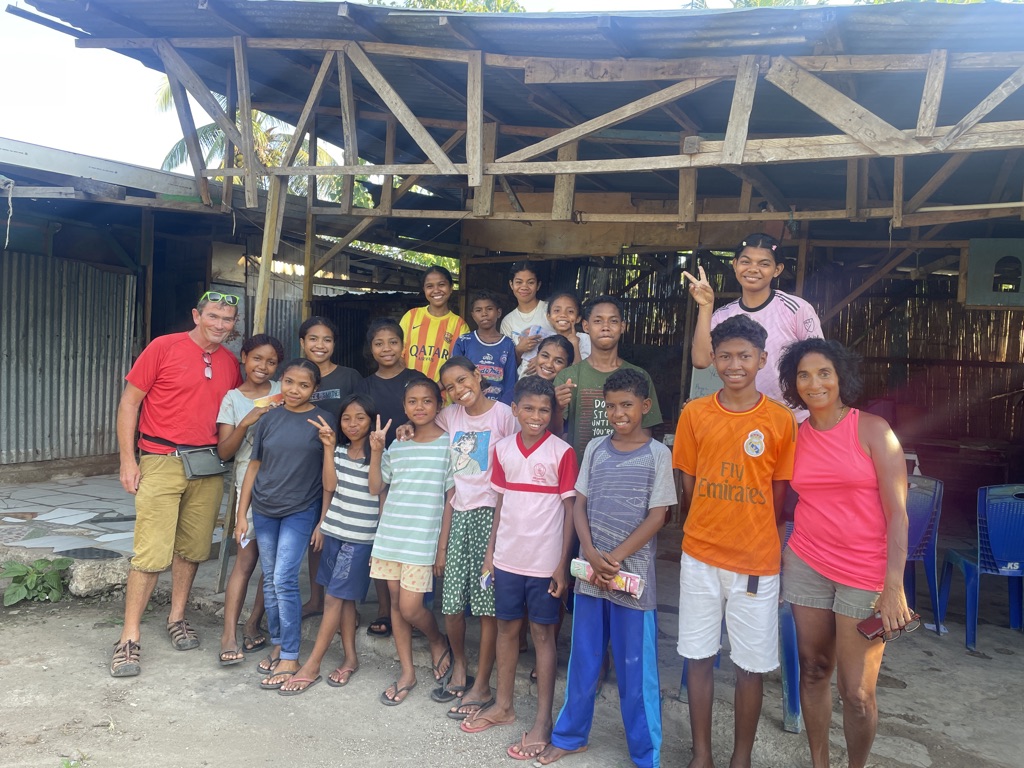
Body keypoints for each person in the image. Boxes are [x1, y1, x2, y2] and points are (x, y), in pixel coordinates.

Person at [777, 339, 914, 768]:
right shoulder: (794, 435)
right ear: (793, 383)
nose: (814, 383)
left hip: (864, 571)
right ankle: (819, 763)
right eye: (803, 375)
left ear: (841, 377)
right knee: (814, 668)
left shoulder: (872, 430)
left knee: (857, 693)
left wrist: (894, 586)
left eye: (824, 373)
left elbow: (898, 514)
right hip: (806, 562)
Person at [672, 316, 797, 768]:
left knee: (750, 665)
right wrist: (706, 524)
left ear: (762, 360)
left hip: (755, 561)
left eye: (744, 356)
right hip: (700, 555)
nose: (734, 364)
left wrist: (758, 536)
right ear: (713, 359)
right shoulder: (695, 414)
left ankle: (740, 759)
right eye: (724, 356)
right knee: (698, 656)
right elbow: (688, 483)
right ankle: (701, 755)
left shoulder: (780, 420)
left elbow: (779, 496)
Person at [534, 369, 675, 768]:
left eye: (626, 405)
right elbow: (579, 505)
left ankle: (646, 755)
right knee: (584, 661)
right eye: (610, 406)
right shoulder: (596, 448)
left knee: (636, 672)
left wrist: (613, 559)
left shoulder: (658, 455)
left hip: (632, 581)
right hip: (591, 577)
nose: (618, 413)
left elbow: (658, 516)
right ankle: (570, 736)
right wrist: (591, 554)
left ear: (645, 406)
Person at [110, 290, 242, 678]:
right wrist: (128, 459)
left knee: (193, 547)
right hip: (161, 458)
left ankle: (177, 617)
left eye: (228, 319)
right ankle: (129, 636)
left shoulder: (230, 363)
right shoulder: (163, 348)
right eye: (213, 316)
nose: (220, 324)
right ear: (196, 316)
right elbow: (130, 402)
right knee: (151, 551)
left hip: (208, 464)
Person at [464, 376, 577, 760]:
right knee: (506, 630)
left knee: (543, 635)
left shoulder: (562, 452)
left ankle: (543, 721)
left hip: (545, 563)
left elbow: (569, 512)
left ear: (553, 413)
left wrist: (562, 566)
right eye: (528, 408)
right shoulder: (502, 449)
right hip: (507, 560)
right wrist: (490, 555)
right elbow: (500, 505)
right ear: (514, 410)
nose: (536, 416)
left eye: (544, 410)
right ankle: (503, 705)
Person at [234, 358, 332, 691]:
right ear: (281, 382)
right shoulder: (268, 418)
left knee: (284, 578)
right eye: (289, 382)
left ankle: (290, 655)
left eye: (304, 385)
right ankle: (279, 642)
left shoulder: (323, 421)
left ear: (315, 389)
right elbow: (253, 467)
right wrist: (241, 514)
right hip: (264, 509)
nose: (294, 390)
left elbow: (328, 475)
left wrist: (323, 519)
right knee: (271, 580)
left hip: (300, 509)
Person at [434, 357, 519, 719]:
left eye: (462, 380)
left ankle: (482, 683)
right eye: (450, 387)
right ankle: (460, 664)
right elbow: (423, 422)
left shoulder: (504, 416)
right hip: (459, 516)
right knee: (451, 605)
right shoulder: (449, 416)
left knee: (486, 608)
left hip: (492, 518)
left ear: (478, 375)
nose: (458, 390)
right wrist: (406, 427)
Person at [278, 394, 381, 695]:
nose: (353, 424)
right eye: (346, 418)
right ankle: (350, 658)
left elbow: (376, 489)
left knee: (333, 599)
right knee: (343, 600)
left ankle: (312, 665)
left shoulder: (380, 455)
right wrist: (322, 524)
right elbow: (329, 487)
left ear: (371, 421)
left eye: (360, 418)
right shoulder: (337, 452)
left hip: (359, 539)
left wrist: (376, 453)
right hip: (334, 531)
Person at [369, 377, 456, 706]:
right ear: (404, 407)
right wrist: (377, 451)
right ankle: (407, 672)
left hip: (422, 540)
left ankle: (436, 638)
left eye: (427, 401)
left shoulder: (448, 445)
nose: (420, 407)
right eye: (412, 402)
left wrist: (442, 547)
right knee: (396, 605)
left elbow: (451, 499)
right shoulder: (398, 443)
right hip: (391, 536)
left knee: (410, 607)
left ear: (439, 405)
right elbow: (376, 486)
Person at [686, 233, 822, 420]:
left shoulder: (796, 309)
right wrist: (705, 306)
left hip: (792, 418)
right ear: (735, 264)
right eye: (746, 262)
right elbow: (701, 361)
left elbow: (818, 362)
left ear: (777, 269)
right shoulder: (723, 315)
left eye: (764, 264)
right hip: (741, 418)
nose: (753, 269)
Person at [216, 333, 286, 666]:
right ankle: (228, 634)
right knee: (246, 560)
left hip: (285, 481)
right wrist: (246, 422)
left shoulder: (283, 391)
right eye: (257, 358)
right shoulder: (232, 399)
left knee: (273, 563)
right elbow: (224, 452)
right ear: (244, 357)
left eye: (271, 362)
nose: (263, 366)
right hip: (250, 482)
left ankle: (253, 622)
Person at [358, 317, 421, 637]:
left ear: (403, 345)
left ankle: (415, 609)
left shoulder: (416, 380)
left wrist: (414, 426)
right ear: (371, 349)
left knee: (413, 541)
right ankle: (385, 609)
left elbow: (431, 415)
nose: (386, 348)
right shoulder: (365, 385)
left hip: (414, 470)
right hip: (378, 467)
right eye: (379, 343)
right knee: (382, 540)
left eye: (393, 342)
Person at [298, 316, 362, 619]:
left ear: (334, 344)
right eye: (313, 338)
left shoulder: (349, 377)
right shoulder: (294, 375)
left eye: (327, 339)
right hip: (304, 464)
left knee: (344, 534)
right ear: (302, 342)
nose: (320, 345)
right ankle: (316, 599)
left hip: (342, 465)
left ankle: (346, 604)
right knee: (317, 533)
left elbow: (361, 414)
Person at [553, 295, 663, 463]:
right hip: (580, 472)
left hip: (625, 471)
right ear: (586, 326)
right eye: (598, 321)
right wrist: (558, 408)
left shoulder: (639, 376)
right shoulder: (568, 376)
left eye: (613, 321)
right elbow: (554, 435)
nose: (605, 327)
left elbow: (646, 432)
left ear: (622, 327)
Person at [400, 265, 469, 382]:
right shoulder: (411, 316)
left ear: (451, 287)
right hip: (409, 389)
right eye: (430, 286)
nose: (436, 290)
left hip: (442, 392)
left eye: (441, 284)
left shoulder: (460, 325)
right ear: (424, 289)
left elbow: (458, 367)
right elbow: (398, 355)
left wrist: (436, 387)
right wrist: (410, 386)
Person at [452, 290, 517, 405]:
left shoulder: (507, 344)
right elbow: (455, 376)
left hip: (497, 406)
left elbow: (510, 381)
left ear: (498, 312)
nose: (484, 314)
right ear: (473, 315)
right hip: (468, 405)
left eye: (489, 309)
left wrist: (504, 408)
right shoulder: (464, 341)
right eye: (478, 310)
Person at [501, 261, 555, 372]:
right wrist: (519, 350)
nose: (524, 287)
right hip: (521, 381)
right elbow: (505, 364)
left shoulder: (550, 310)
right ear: (511, 285)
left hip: (551, 378)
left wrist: (542, 359)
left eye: (530, 282)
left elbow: (565, 342)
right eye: (519, 282)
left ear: (538, 285)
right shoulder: (508, 321)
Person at [524, 291, 589, 376]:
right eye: (557, 310)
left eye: (570, 311)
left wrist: (575, 345)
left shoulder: (585, 339)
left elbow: (580, 374)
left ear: (578, 318)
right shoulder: (546, 338)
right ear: (548, 316)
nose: (563, 315)